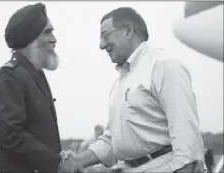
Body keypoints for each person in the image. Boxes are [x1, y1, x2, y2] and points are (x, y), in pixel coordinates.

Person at [62, 7, 205, 172]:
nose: (101, 45)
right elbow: (112, 140)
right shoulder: (120, 84)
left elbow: (186, 142)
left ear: (128, 31)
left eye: (105, 35)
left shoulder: (164, 67)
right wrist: (79, 160)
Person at [0, 3, 82, 173]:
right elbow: (10, 136)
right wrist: (57, 163)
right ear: (30, 38)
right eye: (47, 32)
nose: (54, 39)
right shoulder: (8, 78)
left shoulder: (34, 76)